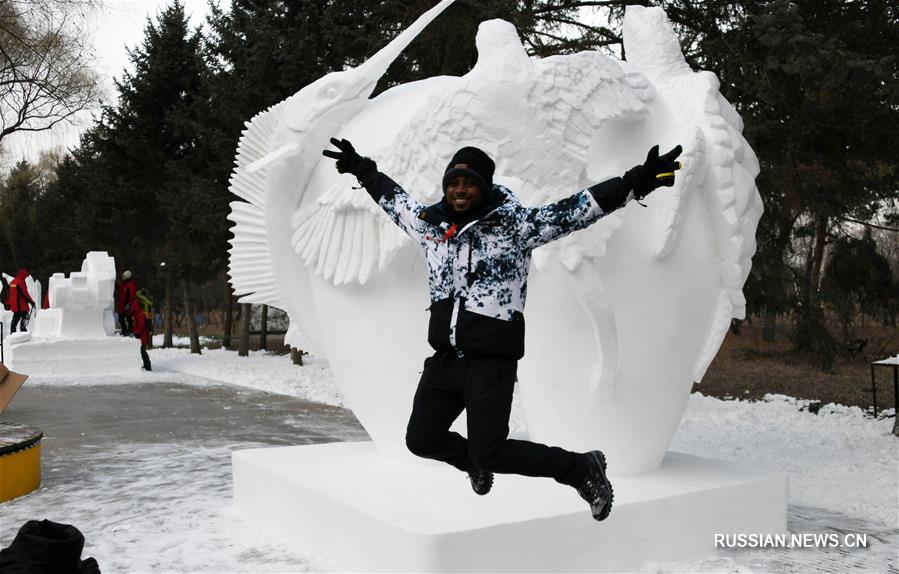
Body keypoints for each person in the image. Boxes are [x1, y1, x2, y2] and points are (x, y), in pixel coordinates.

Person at [323, 138, 681, 521]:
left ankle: (581, 469)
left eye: (470, 184)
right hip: (446, 357)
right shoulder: (430, 227)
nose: (460, 191)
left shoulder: (516, 227)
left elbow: (579, 209)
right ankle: (471, 462)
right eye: (454, 183)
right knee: (420, 440)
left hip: (491, 359)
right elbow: (393, 199)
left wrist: (637, 181)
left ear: (484, 188)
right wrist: (361, 167)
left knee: (491, 450)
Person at [8, 269, 35, 334]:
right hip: (21, 304)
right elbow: (25, 293)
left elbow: (12, 294)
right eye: (25, 276)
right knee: (25, 316)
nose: (25, 278)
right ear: (23, 275)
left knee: (15, 318)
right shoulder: (20, 282)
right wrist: (31, 302)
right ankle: (23, 330)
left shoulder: (13, 282)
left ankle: (12, 332)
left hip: (15, 305)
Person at [130, 295, 152, 371]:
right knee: (142, 352)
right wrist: (132, 331)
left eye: (133, 309)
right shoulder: (137, 315)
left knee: (143, 352)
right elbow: (136, 326)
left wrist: (134, 332)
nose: (132, 311)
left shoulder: (141, 315)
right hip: (140, 336)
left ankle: (148, 366)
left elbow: (141, 327)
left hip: (142, 336)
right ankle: (147, 365)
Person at [116, 270, 137, 336]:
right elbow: (120, 288)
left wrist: (129, 304)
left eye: (124, 276)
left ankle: (130, 331)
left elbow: (132, 296)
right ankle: (124, 330)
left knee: (129, 319)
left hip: (127, 305)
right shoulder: (124, 283)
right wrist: (115, 285)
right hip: (122, 305)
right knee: (121, 319)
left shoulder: (131, 285)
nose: (123, 277)